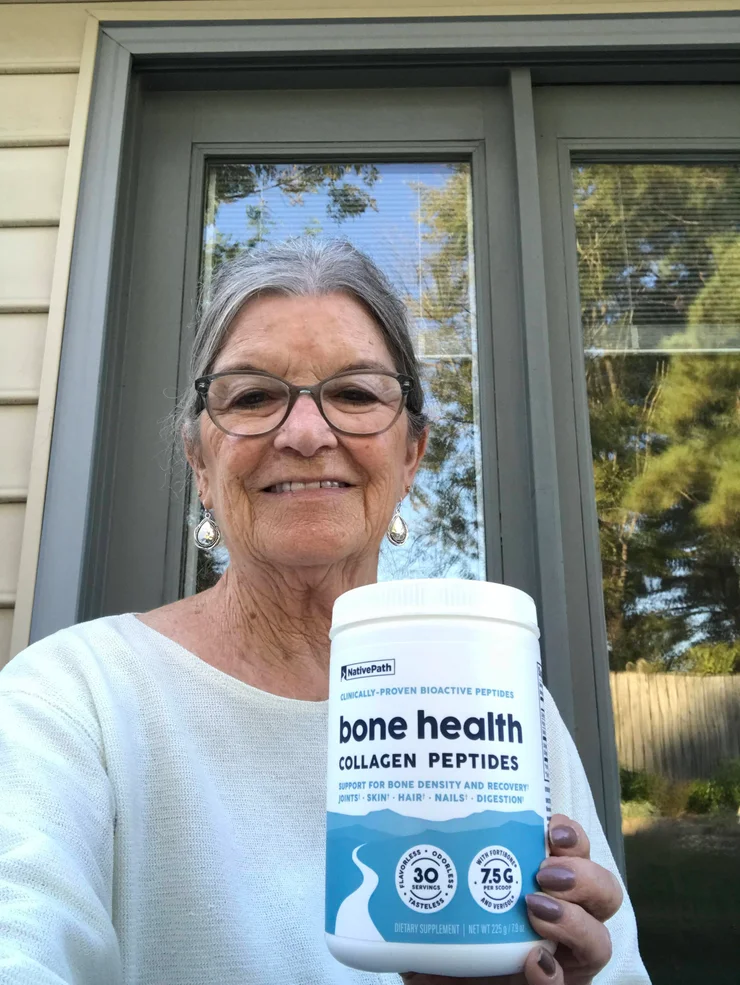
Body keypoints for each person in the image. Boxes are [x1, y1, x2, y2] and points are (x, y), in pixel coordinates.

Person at [0, 239, 649, 985]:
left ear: (411, 455)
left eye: (355, 394)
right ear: (200, 465)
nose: (306, 433)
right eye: (251, 396)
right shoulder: (72, 698)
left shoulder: (504, 700)